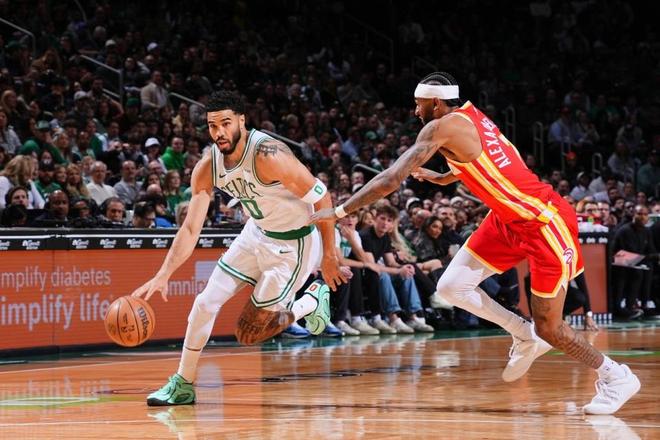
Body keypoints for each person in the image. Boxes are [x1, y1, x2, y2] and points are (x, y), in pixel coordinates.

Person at [311, 72, 640, 414]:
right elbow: (494, 158)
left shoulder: (439, 128)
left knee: (550, 327)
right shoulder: (472, 116)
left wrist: (340, 211)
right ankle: (521, 332)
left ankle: (616, 376)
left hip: (543, 222)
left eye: (418, 104)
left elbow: (391, 178)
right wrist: (444, 177)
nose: (415, 111)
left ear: (435, 102)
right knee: (452, 286)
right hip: (507, 218)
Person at [132, 90, 346, 406]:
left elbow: (322, 196)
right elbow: (190, 228)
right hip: (255, 233)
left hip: (294, 244)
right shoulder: (209, 166)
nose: (219, 132)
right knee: (204, 303)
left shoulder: (269, 155)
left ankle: (310, 302)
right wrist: (164, 273)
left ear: (242, 121)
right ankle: (182, 383)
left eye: (226, 123)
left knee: (248, 334)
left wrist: (328, 254)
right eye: (212, 125)